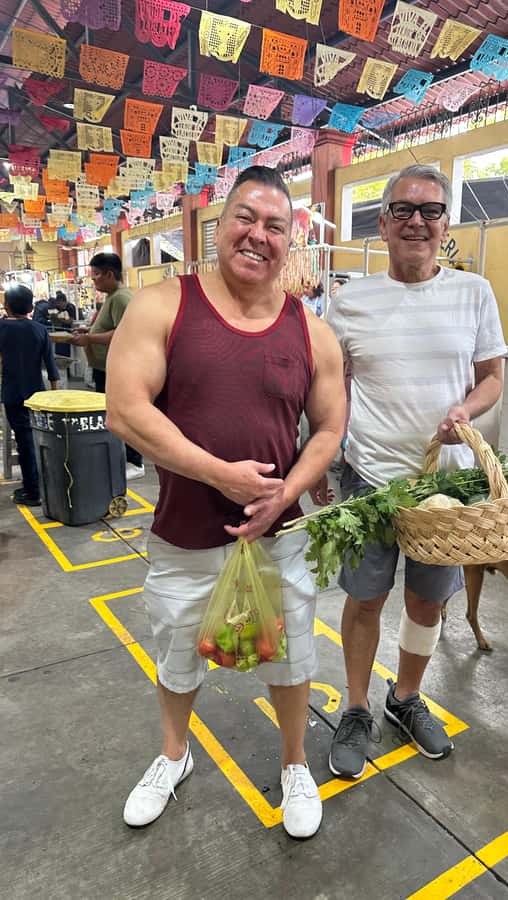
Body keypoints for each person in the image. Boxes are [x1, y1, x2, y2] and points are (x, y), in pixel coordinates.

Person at [105, 166, 345, 838]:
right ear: (220, 226)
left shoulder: (311, 331)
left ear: (290, 240)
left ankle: (295, 763)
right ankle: (173, 755)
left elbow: (329, 428)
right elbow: (125, 410)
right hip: (185, 532)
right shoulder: (163, 306)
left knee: (291, 655)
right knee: (176, 652)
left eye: (275, 225)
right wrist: (220, 476)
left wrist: (283, 493)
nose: (257, 235)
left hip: (279, 533)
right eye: (245, 217)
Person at [320, 164, 507, 778]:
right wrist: (319, 453)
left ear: (446, 223)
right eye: (404, 210)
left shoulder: (474, 293)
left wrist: (466, 409)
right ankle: (355, 708)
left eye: (430, 210)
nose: (417, 222)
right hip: (369, 477)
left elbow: (493, 378)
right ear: (383, 223)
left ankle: (404, 698)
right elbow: (331, 389)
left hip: (445, 488)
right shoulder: (349, 302)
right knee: (364, 599)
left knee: (427, 603)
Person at [70, 253, 145, 480]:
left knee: (124, 415)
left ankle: (135, 461)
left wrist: (90, 339)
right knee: (112, 416)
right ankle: (121, 457)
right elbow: (110, 327)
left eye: (96, 275)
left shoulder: (121, 298)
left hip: (118, 369)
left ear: (110, 274)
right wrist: (89, 331)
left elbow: (124, 333)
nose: (93, 280)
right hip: (105, 368)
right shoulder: (112, 297)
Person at [0, 285, 59, 507]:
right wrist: (54, 394)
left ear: (6, 306)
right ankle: (41, 484)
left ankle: (32, 491)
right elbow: (51, 365)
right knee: (37, 439)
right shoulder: (40, 329)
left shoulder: (2, 327)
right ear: (31, 307)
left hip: (13, 394)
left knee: (24, 442)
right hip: (37, 396)